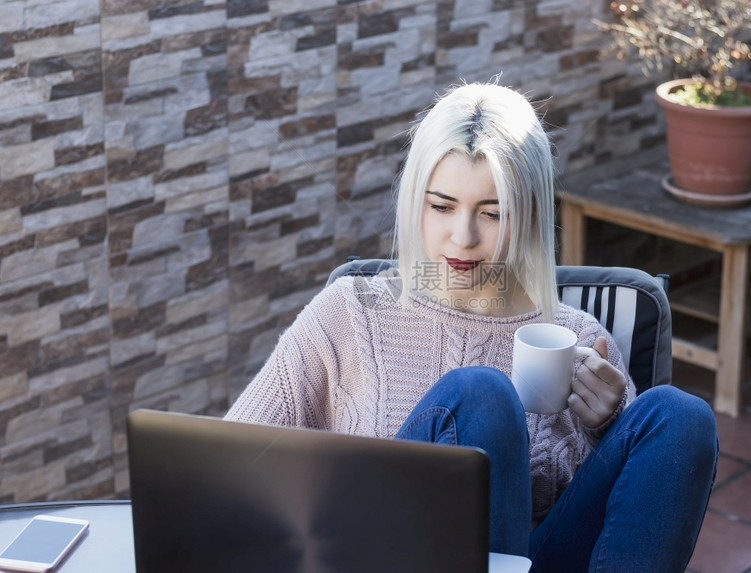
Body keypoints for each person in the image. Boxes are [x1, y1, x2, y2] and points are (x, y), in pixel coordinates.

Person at [226, 81, 718, 571]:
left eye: (493, 213)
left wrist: (604, 425)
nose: (463, 238)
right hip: (383, 556)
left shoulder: (579, 339)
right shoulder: (351, 312)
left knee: (681, 416)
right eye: (441, 206)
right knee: (481, 393)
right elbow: (228, 466)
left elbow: (626, 515)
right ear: (415, 201)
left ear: (528, 215)